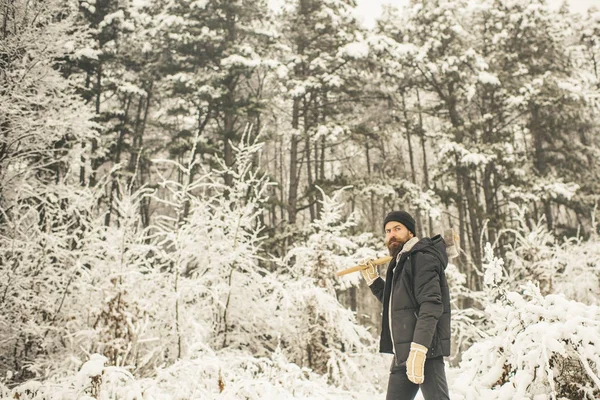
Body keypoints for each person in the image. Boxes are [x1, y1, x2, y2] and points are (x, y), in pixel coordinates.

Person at [361, 211, 451, 400]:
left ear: (410, 232)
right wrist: (374, 281)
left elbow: (431, 305)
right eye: (387, 231)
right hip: (403, 353)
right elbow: (399, 305)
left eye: (397, 229)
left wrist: (419, 350)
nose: (391, 234)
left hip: (425, 351)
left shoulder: (422, 258)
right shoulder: (403, 260)